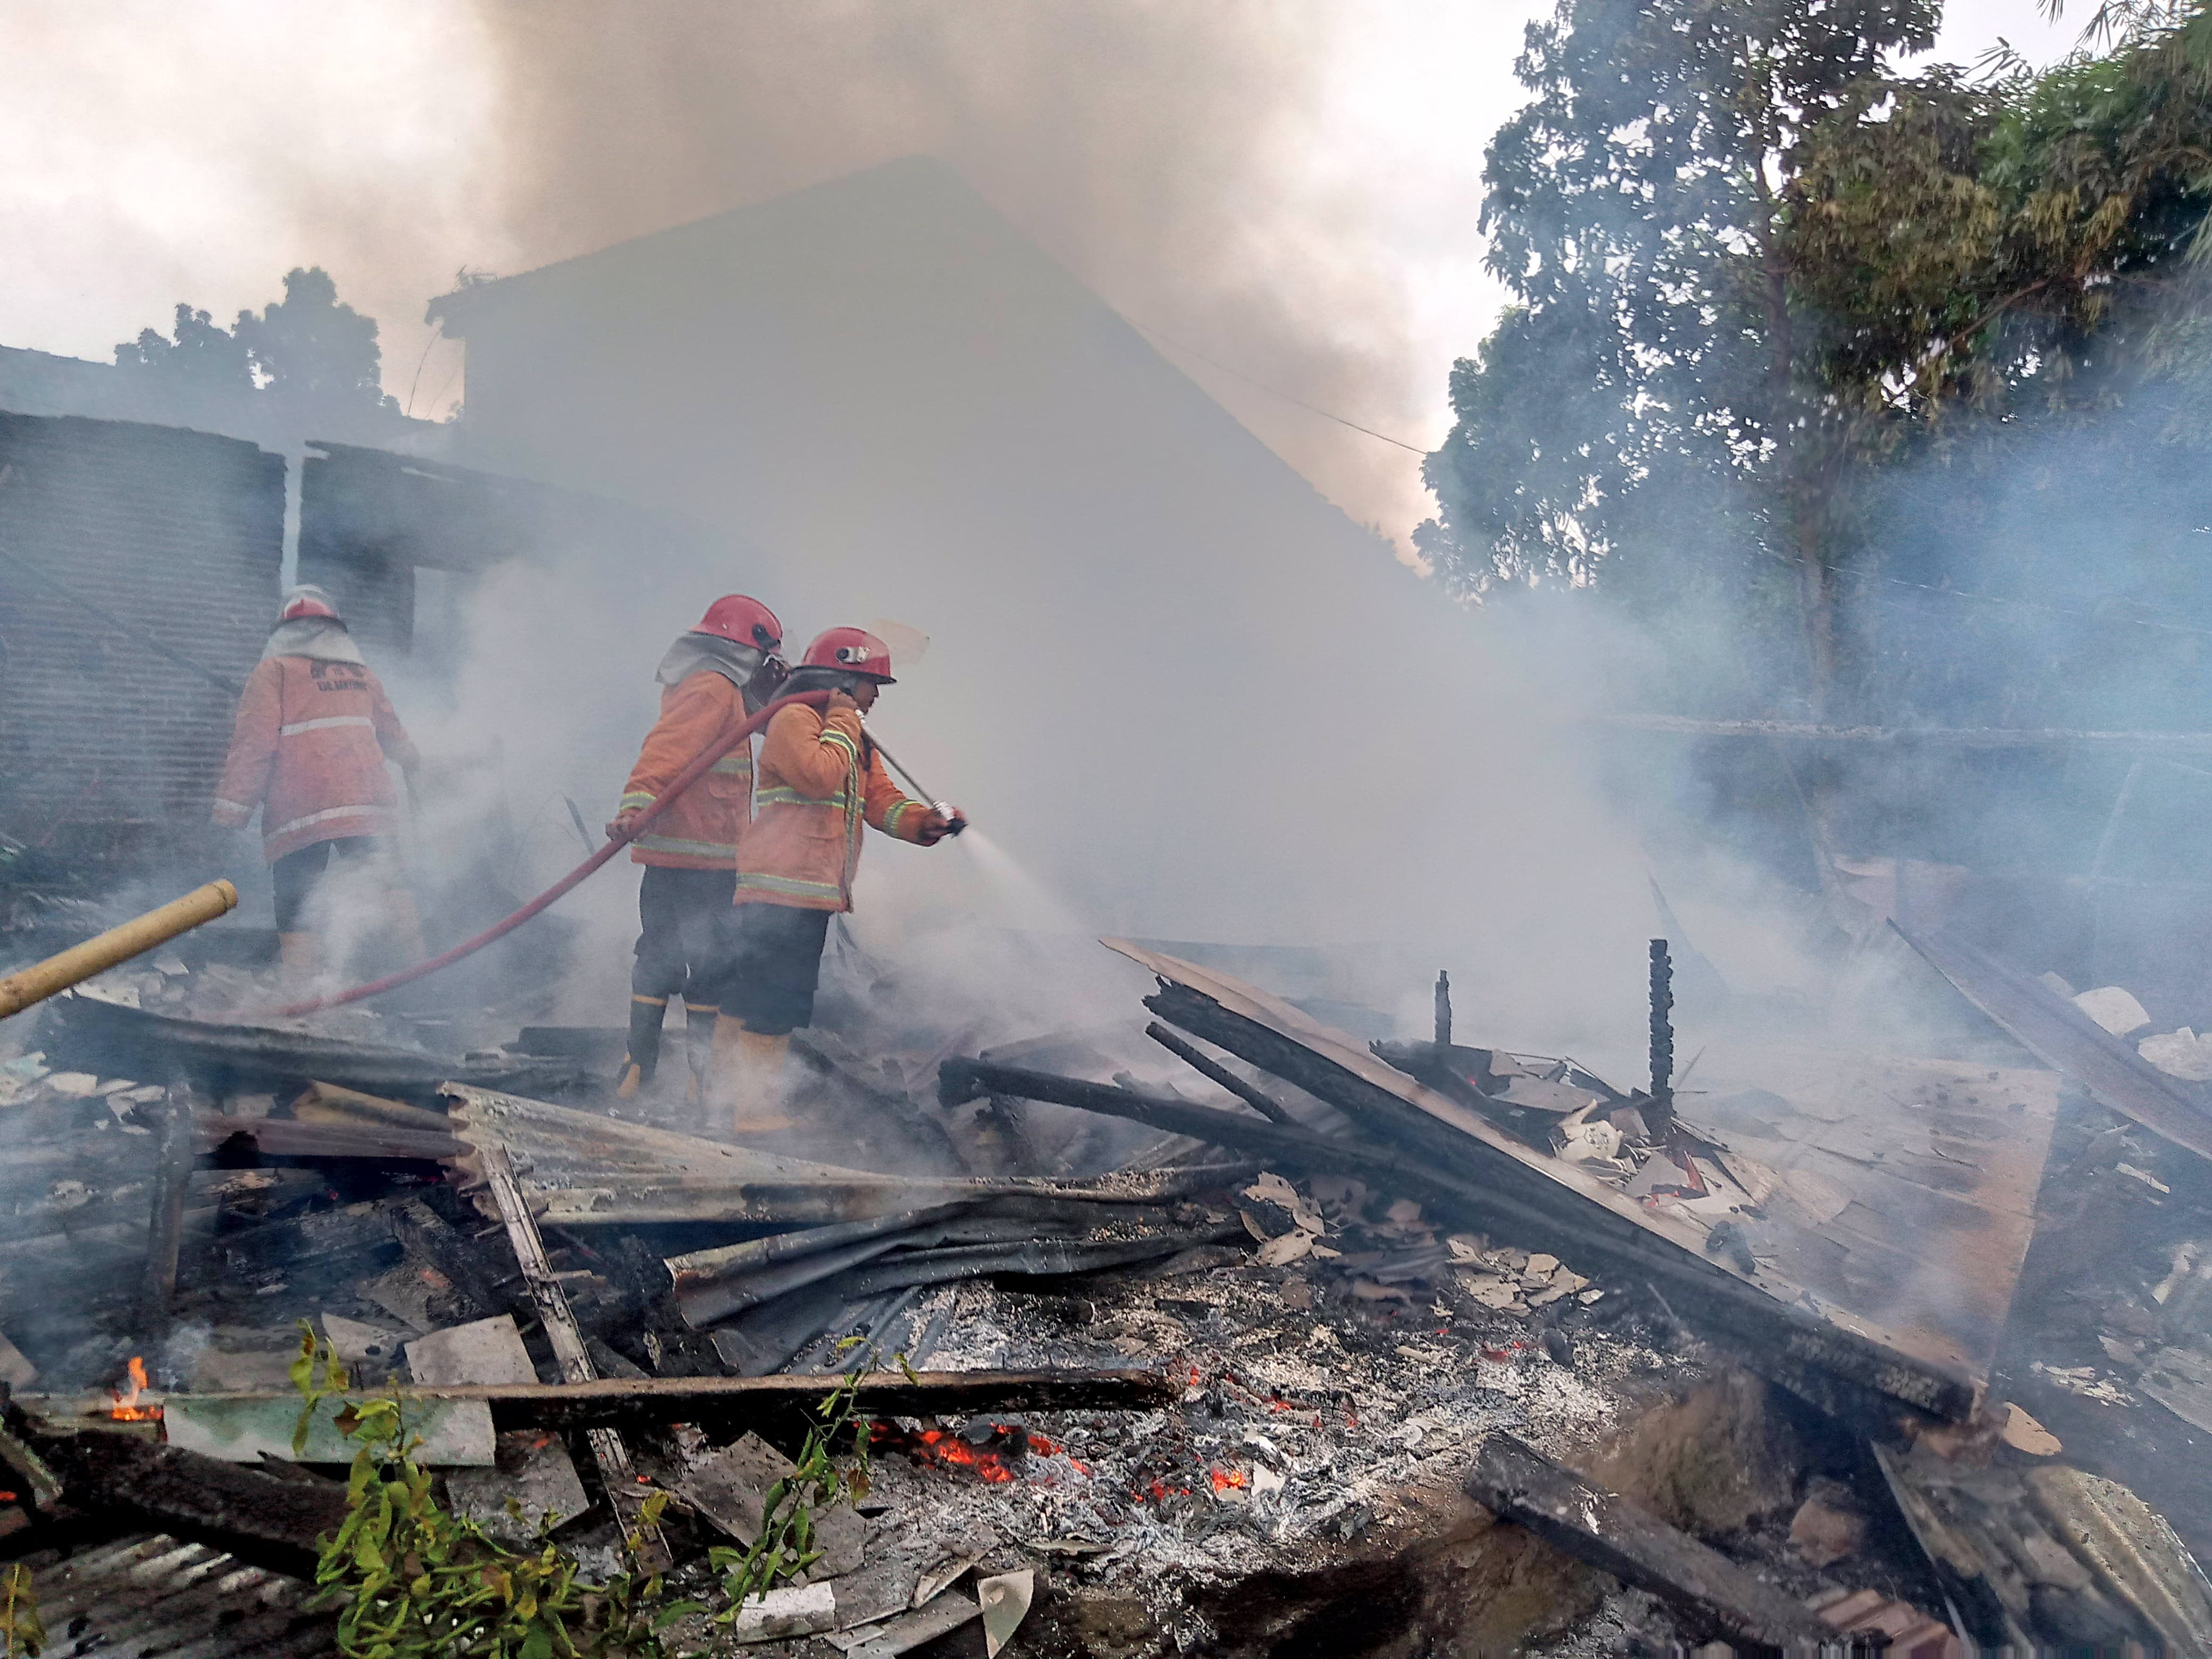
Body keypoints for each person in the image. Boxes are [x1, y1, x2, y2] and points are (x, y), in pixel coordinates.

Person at [711, 626, 960, 1135]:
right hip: (780, 885)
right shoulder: (795, 720)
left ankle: (722, 1099)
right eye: (871, 686)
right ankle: (750, 1110)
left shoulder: (851, 737)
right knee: (771, 998)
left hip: (811, 890)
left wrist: (922, 823)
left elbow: (879, 801)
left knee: (761, 994)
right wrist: (845, 720)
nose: (874, 700)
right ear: (843, 678)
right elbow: (816, 775)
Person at [606, 594, 786, 1102]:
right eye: (765, 656)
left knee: (664, 955)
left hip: (684, 853)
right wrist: (635, 805)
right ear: (743, 650)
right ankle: (695, 1080)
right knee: (707, 964)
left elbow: (758, 722)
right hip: (703, 857)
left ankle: (644, 1070)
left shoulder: (719, 689)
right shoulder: (712, 688)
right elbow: (666, 748)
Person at [212, 585, 424, 985]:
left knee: (295, 896)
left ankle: (299, 987)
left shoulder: (272, 673)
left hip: (301, 808)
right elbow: (394, 735)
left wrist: (229, 814)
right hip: (368, 805)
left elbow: (253, 747)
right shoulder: (362, 675)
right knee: (388, 882)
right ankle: (417, 975)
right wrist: (417, 764)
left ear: (283, 632)